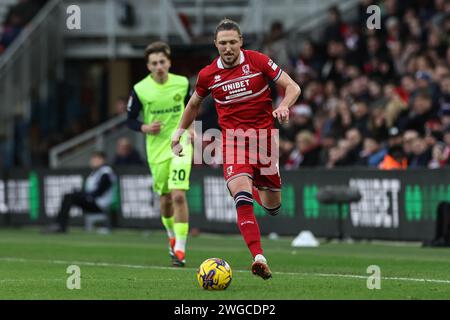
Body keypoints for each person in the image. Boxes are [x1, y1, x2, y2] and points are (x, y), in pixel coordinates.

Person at [171, 19, 301, 280]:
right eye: (223, 43)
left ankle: (253, 185)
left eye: (232, 42)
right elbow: (194, 104)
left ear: (241, 41)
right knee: (241, 196)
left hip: (264, 143)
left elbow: (293, 87)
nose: (228, 48)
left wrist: (285, 105)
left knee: (272, 207)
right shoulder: (208, 75)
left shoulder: (258, 61)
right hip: (233, 143)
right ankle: (259, 257)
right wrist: (179, 132)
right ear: (216, 45)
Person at [127, 41, 192, 267]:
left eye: (162, 62)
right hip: (156, 150)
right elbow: (130, 120)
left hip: (180, 143)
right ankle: (171, 235)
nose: (159, 66)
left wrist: (191, 130)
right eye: (154, 63)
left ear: (169, 62)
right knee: (165, 200)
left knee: (178, 196)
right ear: (148, 66)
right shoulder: (140, 89)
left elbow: (190, 109)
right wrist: (145, 127)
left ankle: (181, 249)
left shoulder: (182, 84)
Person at [43, 151, 117, 233]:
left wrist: (81, 194)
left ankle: (60, 226)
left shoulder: (106, 173)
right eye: (92, 159)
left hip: (100, 205)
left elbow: (99, 192)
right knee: (69, 196)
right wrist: (81, 193)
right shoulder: (96, 172)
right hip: (93, 202)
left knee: (70, 197)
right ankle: (59, 224)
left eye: (95, 159)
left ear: (102, 160)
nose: (92, 161)